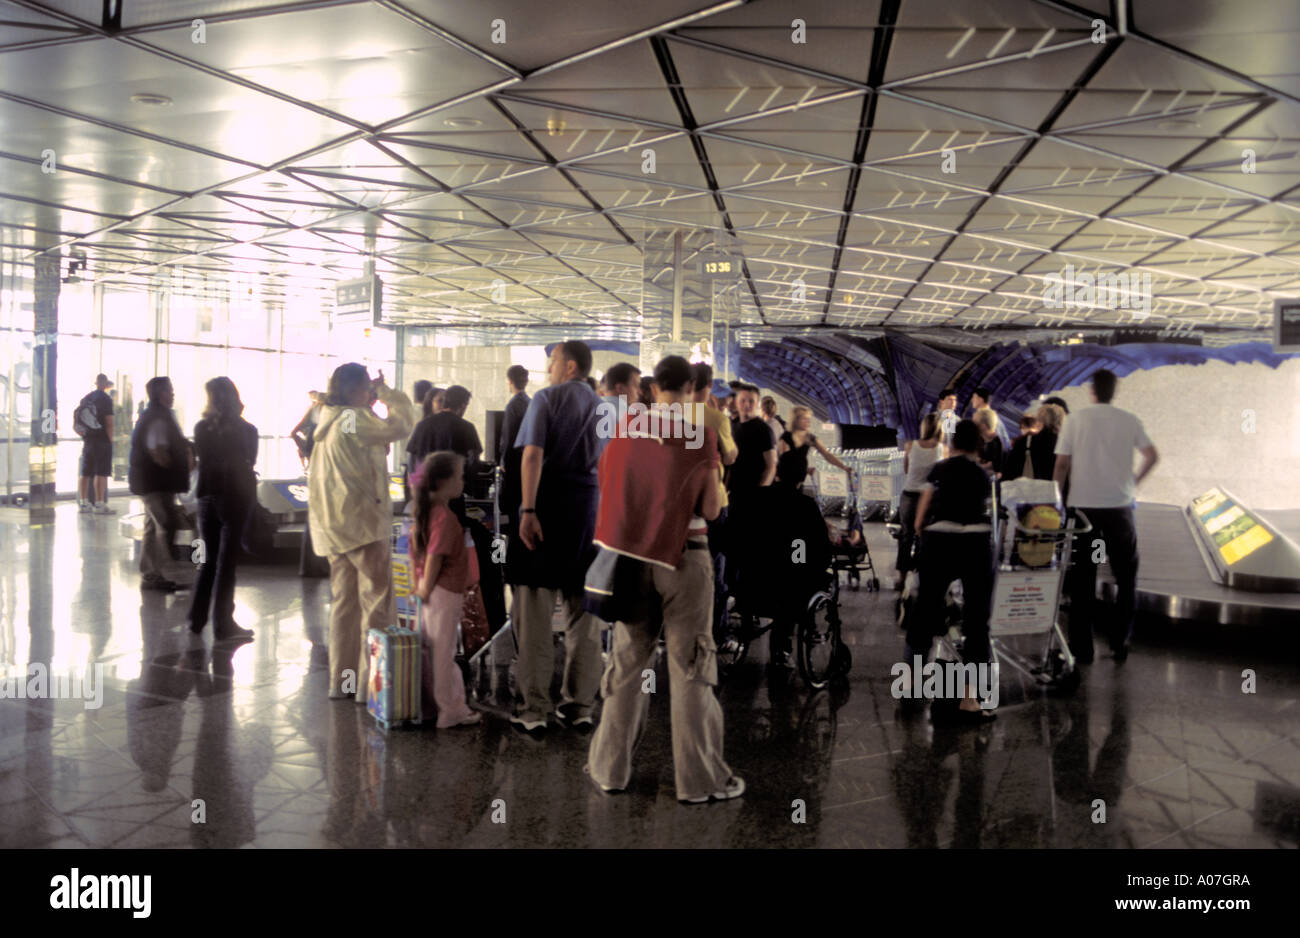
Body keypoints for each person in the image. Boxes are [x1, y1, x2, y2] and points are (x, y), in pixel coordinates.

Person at [586, 355, 743, 803]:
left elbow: (610, 488)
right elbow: (712, 509)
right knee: (690, 668)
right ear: (693, 389)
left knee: (628, 664)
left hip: (631, 562)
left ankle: (607, 770)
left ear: (655, 389)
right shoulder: (701, 433)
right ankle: (699, 782)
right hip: (685, 560)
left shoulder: (625, 429)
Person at [508, 340, 603, 736]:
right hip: (591, 514)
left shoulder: (546, 399)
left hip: (549, 507)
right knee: (585, 615)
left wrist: (528, 510)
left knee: (534, 611)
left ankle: (534, 710)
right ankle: (579, 706)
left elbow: (532, 456)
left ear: (570, 367)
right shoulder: (607, 408)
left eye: (552, 362)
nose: (547, 369)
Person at [308, 364, 415, 700]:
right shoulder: (352, 420)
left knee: (344, 606)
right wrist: (386, 394)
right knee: (377, 605)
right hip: (361, 527)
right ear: (358, 389)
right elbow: (400, 425)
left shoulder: (327, 419)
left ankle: (343, 683)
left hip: (333, 529)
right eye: (367, 387)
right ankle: (372, 686)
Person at [1054, 369, 1158, 663]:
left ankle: (1081, 647)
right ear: (1115, 390)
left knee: (1083, 578)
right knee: (1126, 577)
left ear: (1091, 391)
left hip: (1083, 509)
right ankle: (1119, 640)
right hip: (1119, 509)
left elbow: (1061, 465)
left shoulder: (1075, 420)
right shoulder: (1129, 420)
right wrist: (1133, 483)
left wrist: (1057, 502)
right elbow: (1152, 456)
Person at [907, 419, 995, 723]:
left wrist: (921, 531)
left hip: (940, 540)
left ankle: (913, 685)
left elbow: (922, 511)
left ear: (954, 443)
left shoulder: (940, 469)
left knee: (926, 607)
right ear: (976, 446)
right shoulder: (983, 476)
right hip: (976, 542)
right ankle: (969, 699)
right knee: (976, 620)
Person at [411, 451, 483, 729]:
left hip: (428, 593)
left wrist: (420, 589)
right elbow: (435, 556)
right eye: (460, 477)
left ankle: (430, 705)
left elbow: (420, 555)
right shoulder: (445, 517)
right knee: (444, 654)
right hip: (443, 592)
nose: (463, 482)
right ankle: (451, 709)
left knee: (430, 651)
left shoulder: (424, 511)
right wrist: (426, 588)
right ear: (442, 482)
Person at [188, 377, 258, 643]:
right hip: (235, 498)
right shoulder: (248, 430)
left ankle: (196, 618)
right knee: (226, 564)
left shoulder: (201, 428)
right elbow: (250, 460)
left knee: (207, 561)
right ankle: (223, 623)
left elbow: (202, 461)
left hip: (207, 496)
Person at [129, 377, 194, 592]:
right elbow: (158, 452)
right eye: (170, 390)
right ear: (160, 394)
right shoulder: (158, 418)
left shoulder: (158, 416)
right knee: (163, 523)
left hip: (153, 482)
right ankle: (156, 572)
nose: (173, 394)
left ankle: (151, 574)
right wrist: (177, 466)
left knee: (152, 525)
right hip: (155, 483)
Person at [689, 363, 737, 642]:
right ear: (708, 387)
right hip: (713, 501)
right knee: (716, 567)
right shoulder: (716, 419)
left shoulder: (667, 415)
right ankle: (716, 634)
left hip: (681, 503)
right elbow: (730, 457)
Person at [406, 384, 481, 516]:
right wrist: (468, 485)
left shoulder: (422, 425)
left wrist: (416, 487)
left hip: (425, 492)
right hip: (452, 495)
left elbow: (412, 458)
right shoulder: (467, 427)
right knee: (451, 530)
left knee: (426, 531)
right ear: (463, 405)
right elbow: (473, 461)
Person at [896, 413, 945, 590]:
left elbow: (906, 469)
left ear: (923, 427)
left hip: (909, 494)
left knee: (905, 536)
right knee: (924, 537)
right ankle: (921, 576)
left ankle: (901, 578)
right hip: (929, 498)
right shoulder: (941, 449)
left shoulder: (910, 446)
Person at [776, 405, 853, 494]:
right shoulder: (786, 437)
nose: (808, 421)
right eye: (804, 419)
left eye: (809, 419)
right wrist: (805, 469)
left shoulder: (810, 438)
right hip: (783, 482)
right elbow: (784, 462)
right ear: (796, 420)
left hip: (799, 483)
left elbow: (827, 454)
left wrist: (844, 467)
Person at [726, 383, 776, 504]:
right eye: (742, 401)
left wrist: (759, 494)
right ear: (737, 402)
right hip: (735, 493)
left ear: (757, 404)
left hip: (754, 494)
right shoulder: (734, 426)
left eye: (751, 401)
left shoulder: (763, 430)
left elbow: (771, 467)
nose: (746, 405)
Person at [76, 373, 116, 514]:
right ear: (105, 384)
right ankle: (99, 504)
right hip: (102, 440)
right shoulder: (106, 399)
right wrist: (110, 440)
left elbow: (78, 420)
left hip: (88, 441)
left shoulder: (86, 398)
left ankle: (83, 503)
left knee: (85, 472)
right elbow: (109, 422)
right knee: (101, 472)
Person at [498, 364, 531, 531]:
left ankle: (505, 555)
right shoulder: (531, 403)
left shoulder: (512, 406)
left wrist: (504, 463)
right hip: (527, 464)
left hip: (514, 467)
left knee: (509, 515)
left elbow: (509, 438)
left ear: (509, 381)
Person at [1001, 413, 1039, 482]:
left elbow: (1010, 466)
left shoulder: (1017, 441)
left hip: (1022, 478)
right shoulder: (1044, 439)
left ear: (1023, 427)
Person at [970, 385, 1011, 449]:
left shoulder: (989, 419)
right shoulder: (996, 418)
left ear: (980, 399)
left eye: (974, 397)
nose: (972, 400)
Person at [973, 406, 1004, 478]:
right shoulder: (979, 440)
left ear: (983, 426)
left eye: (975, 423)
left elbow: (996, 469)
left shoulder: (998, 444)